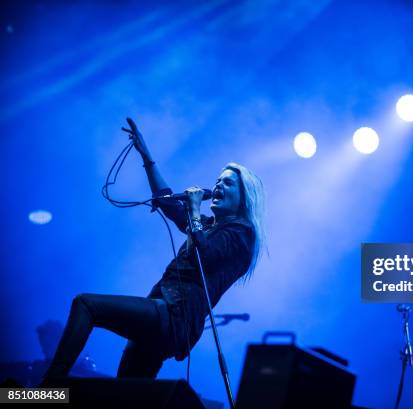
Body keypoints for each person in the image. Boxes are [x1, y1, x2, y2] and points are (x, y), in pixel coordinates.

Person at [42, 118, 264, 381]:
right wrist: (147, 156)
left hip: (176, 318)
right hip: (162, 309)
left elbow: (201, 255)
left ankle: (48, 387)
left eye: (227, 183)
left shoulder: (243, 233)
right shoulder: (206, 227)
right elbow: (167, 202)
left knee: (86, 305)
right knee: (127, 394)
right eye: (218, 180)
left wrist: (193, 209)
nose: (217, 186)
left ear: (244, 197)